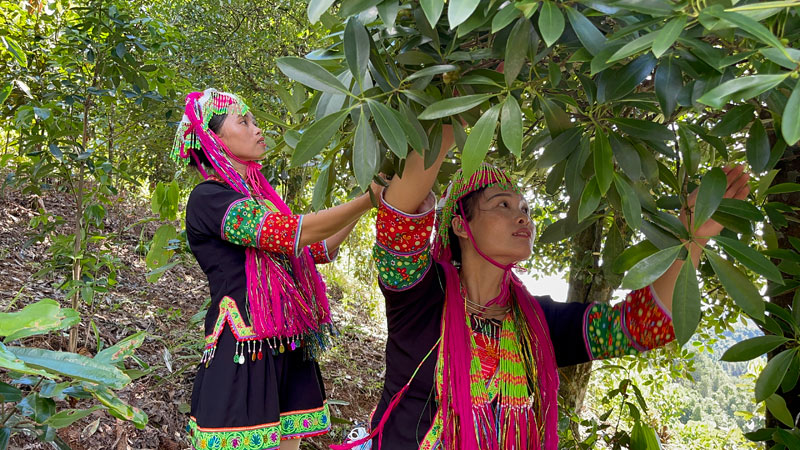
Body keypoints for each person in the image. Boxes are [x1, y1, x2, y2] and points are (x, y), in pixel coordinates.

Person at [337, 125, 750, 450]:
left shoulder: (542, 325)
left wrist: (691, 238)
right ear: (462, 225)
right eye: (503, 205)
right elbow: (399, 215)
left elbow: (646, 326)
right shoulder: (420, 298)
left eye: (525, 209)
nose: (523, 218)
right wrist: (462, 101)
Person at [172, 89, 381, 450]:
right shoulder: (209, 199)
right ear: (215, 138)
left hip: (285, 341)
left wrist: (366, 205)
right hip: (242, 347)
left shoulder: (261, 200)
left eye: (254, 120)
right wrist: (366, 199)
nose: (257, 128)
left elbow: (316, 249)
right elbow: (285, 234)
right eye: (244, 121)